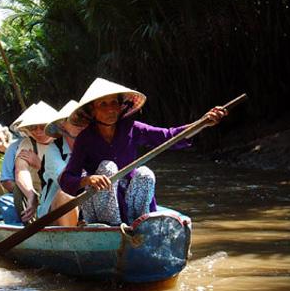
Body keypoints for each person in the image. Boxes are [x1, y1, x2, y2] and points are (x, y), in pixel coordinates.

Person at [59, 78, 227, 226]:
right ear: (92, 111)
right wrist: (88, 180)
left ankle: (141, 222)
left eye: (114, 103)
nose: (110, 109)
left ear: (120, 107)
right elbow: (67, 179)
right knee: (108, 167)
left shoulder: (132, 128)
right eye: (103, 104)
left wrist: (203, 123)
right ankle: (112, 225)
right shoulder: (85, 139)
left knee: (145, 173)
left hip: (128, 201)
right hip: (98, 207)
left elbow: (169, 136)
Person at [39, 100, 87, 226]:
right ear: (62, 125)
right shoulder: (54, 149)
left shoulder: (94, 144)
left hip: (87, 210)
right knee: (65, 196)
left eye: (84, 119)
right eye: (74, 119)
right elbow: (68, 183)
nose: (81, 124)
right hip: (53, 214)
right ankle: (69, 242)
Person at [12, 102, 59, 224]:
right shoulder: (27, 144)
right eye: (33, 127)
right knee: (18, 189)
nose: (38, 132)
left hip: (59, 192)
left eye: (42, 126)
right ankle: (30, 224)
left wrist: (40, 165)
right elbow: (21, 170)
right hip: (38, 195)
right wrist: (31, 194)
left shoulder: (62, 141)